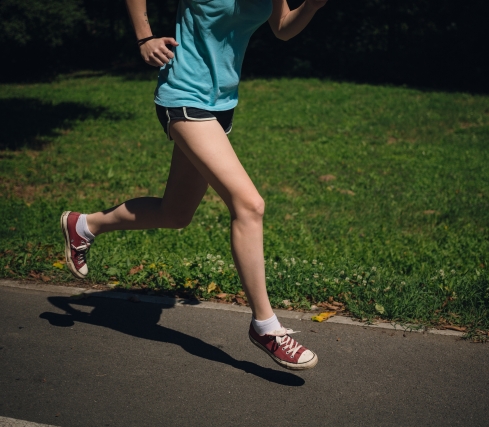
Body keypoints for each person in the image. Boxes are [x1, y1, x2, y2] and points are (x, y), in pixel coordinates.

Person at [60, 0, 328, 370]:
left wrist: (311, 7)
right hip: (184, 94)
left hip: (221, 102)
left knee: (175, 213)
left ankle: (84, 225)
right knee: (249, 205)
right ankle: (266, 326)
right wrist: (145, 37)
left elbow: (281, 26)